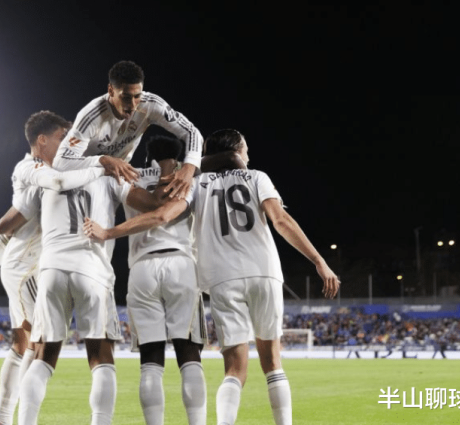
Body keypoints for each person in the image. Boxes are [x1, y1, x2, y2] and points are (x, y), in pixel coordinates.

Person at [84, 129, 340, 425]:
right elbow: (281, 220)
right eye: (245, 149)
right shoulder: (256, 177)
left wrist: (109, 232)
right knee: (271, 363)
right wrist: (319, 261)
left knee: (231, 369)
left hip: (217, 277)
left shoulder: (196, 184)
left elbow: (161, 214)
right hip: (261, 271)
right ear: (236, 151)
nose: (248, 155)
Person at [0, 111, 105, 425]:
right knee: (38, 345)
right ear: (42, 140)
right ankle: (12, 420)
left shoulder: (60, 173)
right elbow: (2, 236)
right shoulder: (32, 171)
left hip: (37, 268)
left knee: (25, 345)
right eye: (61, 137)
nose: (68, 143)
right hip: (27, 269)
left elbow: (2, 237)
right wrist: (102, 165)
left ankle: (3, 419)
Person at [17, 164, 163, 425]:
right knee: (101, 359)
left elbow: (9, 223)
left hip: (51, 269)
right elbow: (153, 204)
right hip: (92, 268)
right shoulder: (107, 176)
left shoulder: (49, 177)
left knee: (42, 358)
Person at [119, 135, 207, 425]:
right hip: (181, 264)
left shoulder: (130, 177)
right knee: (189, 354)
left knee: (150, 361)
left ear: (148, 155)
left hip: (142, 267)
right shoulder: (188, 180)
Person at [52, 60, 204, 200]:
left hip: (118, 177)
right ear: (111, 90)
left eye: (137, 96)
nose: (132, 105)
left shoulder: (151, 105)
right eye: (125, 97)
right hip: (85, 180)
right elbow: (61, 162)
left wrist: (189, 167)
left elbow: (192, 132)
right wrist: (104, 160)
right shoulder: (91, 117)